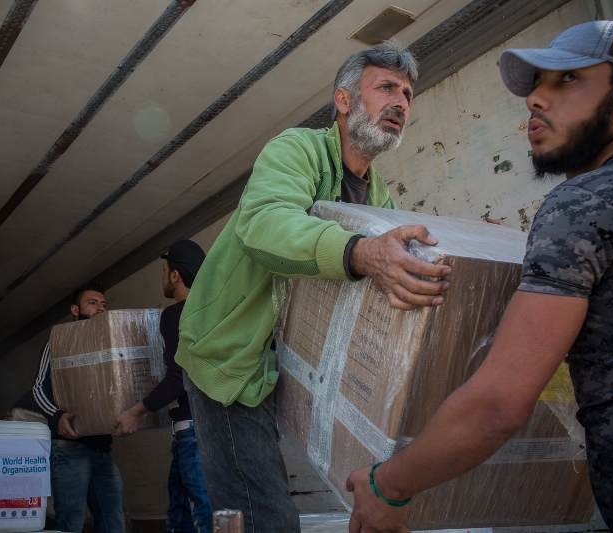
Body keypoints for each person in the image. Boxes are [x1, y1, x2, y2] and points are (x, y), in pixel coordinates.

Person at [346, 20, 613, 533]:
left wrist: (389, 485)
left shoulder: (583, 204)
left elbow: (498, 403)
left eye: (567, 80)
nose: (535, 100)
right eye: (536, 83)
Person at [174, 41, 453, 533]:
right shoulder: (295, 149)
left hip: (289, 366)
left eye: (408, 94)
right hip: (230, 354)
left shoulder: (382, 197)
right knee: (264, 517)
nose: (401, 103)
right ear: (343, 100)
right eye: (386, 88)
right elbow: (263, 223)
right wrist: (359, 253)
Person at [113, 240, 213, 533]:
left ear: (175, 276)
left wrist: (135, 411)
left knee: (203, 517)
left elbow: (177, 376)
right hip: (208, 429)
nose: (161, 277)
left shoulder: (175, 315)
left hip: (194, 432)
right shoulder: (215, 311)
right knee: (180, 517)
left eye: (164, 270)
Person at [33, 283, 125, 533]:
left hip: (104, 450)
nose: (100, 308)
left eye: (104, 304)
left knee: (113, 521)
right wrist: (56, 416)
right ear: (75, 309)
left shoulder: (108, 344)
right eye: (93, 303)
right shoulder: (58, 342)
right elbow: (38, 388)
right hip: (70, 449)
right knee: (71, 522)